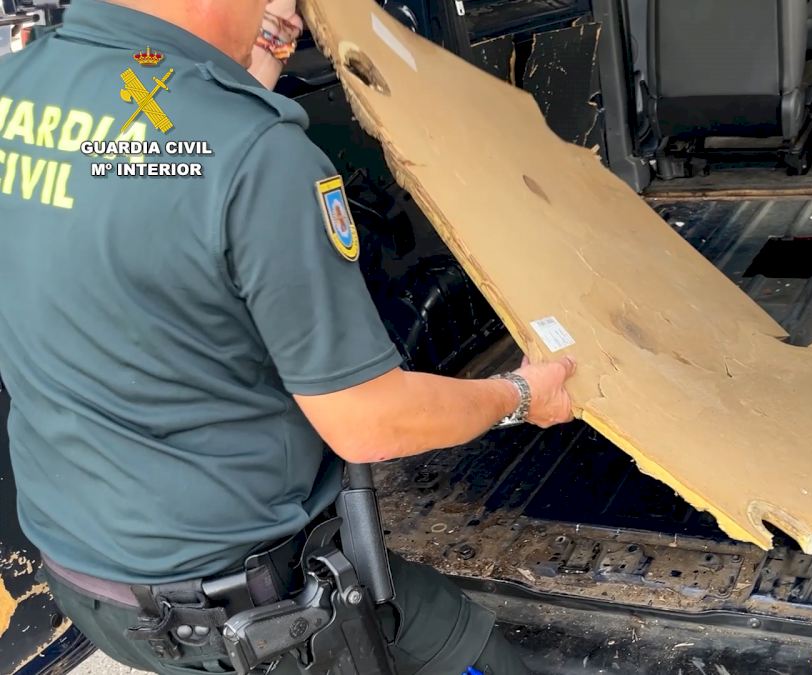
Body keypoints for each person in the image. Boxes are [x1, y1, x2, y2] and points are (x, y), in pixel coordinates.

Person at [0, 1, 577, 673]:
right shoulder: (257, 154)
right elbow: (370, 423)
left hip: (85, 577)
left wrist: (248, 67)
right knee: (469, 649)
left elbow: (149, 176)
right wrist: (518, 395)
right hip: (244, 610)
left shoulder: (20, 86)